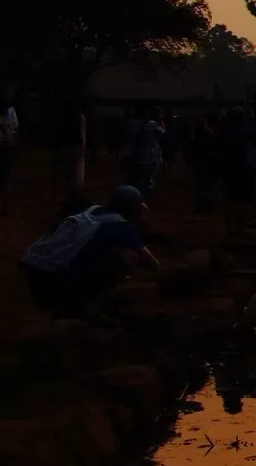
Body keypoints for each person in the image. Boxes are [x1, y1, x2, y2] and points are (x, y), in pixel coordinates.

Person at [18, 185, 160, 319]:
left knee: (97, 250)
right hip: (58, 284)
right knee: (130, 256)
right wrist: (140, 224)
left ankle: (74, 301)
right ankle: (84, 303)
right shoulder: (124, 226)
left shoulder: (90, 210)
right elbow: (153, 264)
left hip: (35, 276)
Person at [126, 108, 166, 199]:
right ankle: (147, 192)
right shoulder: (152, 125)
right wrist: (161, 121)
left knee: (140, 175)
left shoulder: (134, 124)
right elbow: (163, 132)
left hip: (139, 153)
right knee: (149, 175)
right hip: (151, 154)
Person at [0, 95, 18, 216]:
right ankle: (4, 207)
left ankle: (4, 206)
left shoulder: (10, 110)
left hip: (6, 146)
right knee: (6, 178)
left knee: (5, 178)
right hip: (7, 145)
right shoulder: (10, 109)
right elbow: (16, 128)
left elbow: (15, 129)